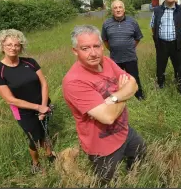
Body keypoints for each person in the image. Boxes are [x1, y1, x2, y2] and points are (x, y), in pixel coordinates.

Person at [62, 25, 146, 185]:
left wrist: (115, 97)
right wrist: (124, 93)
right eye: (85, 48)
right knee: (107, 181)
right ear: (75, 51)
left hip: (124, 130)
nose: (93, 53)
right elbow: (107, 117)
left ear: (102, 46)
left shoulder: (106, 61)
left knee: (140, 153)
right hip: (102, 145)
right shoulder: (74, 81)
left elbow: (133, 84)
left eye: (96, 46)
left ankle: (132, 177)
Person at [0, 29, 55, 174]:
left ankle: (50, 155)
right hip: (24, 112)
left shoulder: (30, 62)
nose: (13, 48)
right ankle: (36, 163)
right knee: (35, 138)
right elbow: (10, 99)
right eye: (9, 45)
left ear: (21, 46)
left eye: (17, 45)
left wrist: (43, 106)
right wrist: (38, 108)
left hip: (44, 105)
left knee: (45, 131)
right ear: (1, 46)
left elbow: (44, 83)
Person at [102, 0, 145, 100]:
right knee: (116, 81)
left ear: (124, 9)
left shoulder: (132, 22)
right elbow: (105, 40)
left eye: (120, 7)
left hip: (130, 57)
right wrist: (113, 49)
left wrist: (129, 47)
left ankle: (139, 96)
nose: (118, 10)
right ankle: (118, 98)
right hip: (115, 59)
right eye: (115, 8)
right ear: (112, 11)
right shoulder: (106, 24)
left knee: (134, 79)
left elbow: (138, 38)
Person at [150, 0, 181, 94]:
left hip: (176, 44)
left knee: (179, 67)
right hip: (162, 44)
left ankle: (180, 88)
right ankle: (160, 86)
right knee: (160, 67)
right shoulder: (157, 10)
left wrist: (179, 37)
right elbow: (153, 26)